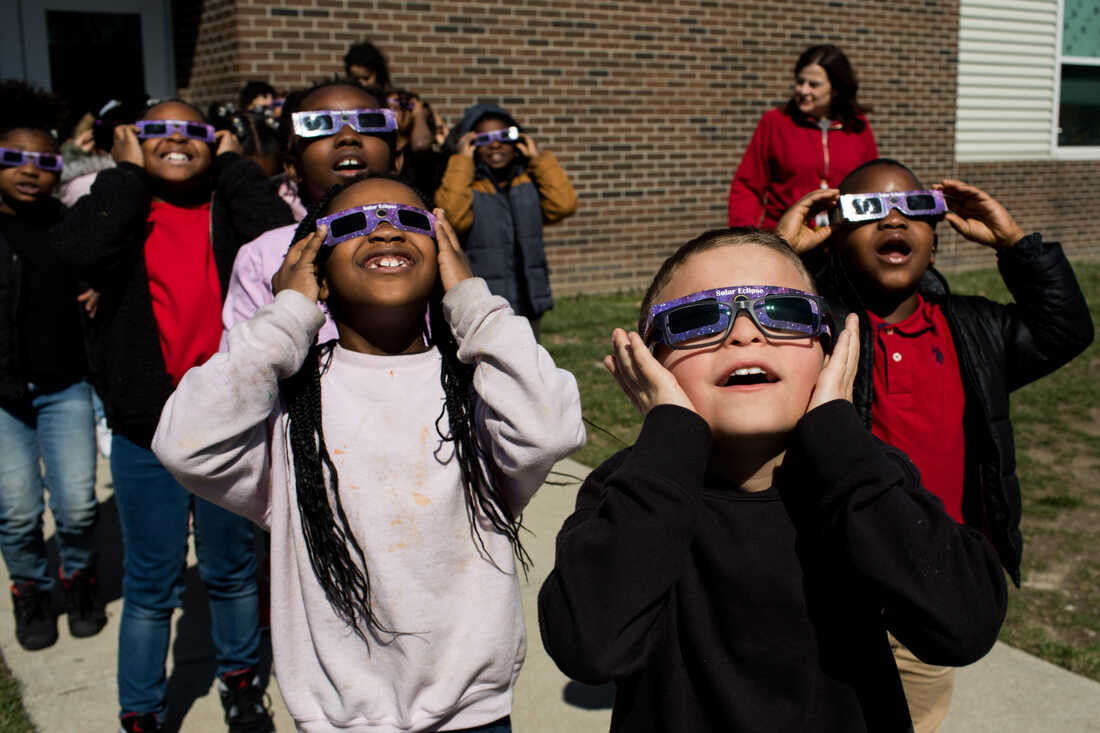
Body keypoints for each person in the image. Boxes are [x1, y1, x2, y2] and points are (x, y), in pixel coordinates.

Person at [152, 175, 586, 732]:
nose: (384, 230)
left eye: (411, 221)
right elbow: (186, 444)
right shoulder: (289, 407)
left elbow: (551, 428)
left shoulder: (480, 392)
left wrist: (472, 301)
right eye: (354, 224)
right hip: (337, 721)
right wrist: (286, 315)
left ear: (444, 257)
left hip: (474, 715)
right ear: (317, 273)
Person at [537, 227, 1009, 732]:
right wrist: (669, 440)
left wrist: (837, 436)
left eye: (784, 312)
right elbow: (588, 647)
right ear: (648, 365)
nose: (744, 333)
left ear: (830, 353)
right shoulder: (631, 489)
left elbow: (966, 624)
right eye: (697, 319)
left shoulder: (864, 477)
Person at [776, 161, 1095, 731]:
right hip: (830, 588)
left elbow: (1063, 329)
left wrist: (1014, 243)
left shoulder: (973, 328)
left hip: (929, 583)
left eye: (913, 209)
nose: (893, 219)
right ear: (834, 230)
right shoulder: (818, 331)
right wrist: (781, 256)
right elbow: (749, 344)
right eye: (866, 210)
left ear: (936, 229)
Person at [50, 98, 295, 733]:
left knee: (232, 570)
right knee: (151, 581)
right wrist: (125, 174)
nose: (176, 141)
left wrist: (237, 165)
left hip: (225, 425)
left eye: (193, 132)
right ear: (134, 138)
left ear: (213, 142)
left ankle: (241, 683)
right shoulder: (121, 209)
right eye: (159, 131)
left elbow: (277, 241)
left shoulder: (229, 203)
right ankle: (141, 710)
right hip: (144, 427)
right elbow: (74, 252)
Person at [0, 79, 106, 651]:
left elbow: (100, 270)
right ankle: (30, 590)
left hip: (65, 387)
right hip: (3, 397)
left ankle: (79, 577)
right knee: (17, 511)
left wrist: (97, 291)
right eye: (13, 158)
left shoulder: (69, 226)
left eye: (43, 160)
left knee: (78, 507)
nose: (30, 170)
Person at [221, 79, 398, 342]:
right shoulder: (261, 257)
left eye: (369, 122)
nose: (348, 136)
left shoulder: (428, 240)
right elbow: (239, 370)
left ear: (397, 159)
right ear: (292, 167)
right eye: (321, 125)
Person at [435, 103, 577, 340]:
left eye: (505, 135)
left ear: (518, 141)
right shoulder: (467, 185)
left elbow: (564, 205)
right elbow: (454, 219)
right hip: (486, 302)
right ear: (470, 144)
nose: (495, 144)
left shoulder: (528, 180)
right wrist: (462, 161)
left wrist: (538, 159)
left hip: (529, 297)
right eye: (483, 139)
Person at [728, 44, 877, 230]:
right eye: (800, 82)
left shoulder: (857, 126)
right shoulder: (775, 122)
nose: (803, 90)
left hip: (843, 239)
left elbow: (872, 184)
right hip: (786, 240)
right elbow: (747, 186)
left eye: (813, 85)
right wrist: (744, 236)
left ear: (836, 88)